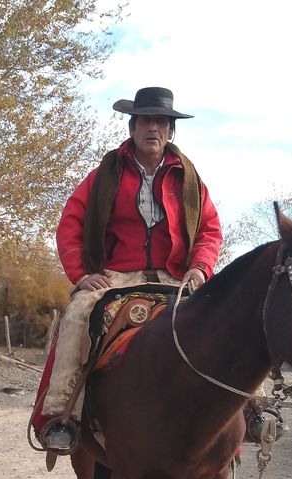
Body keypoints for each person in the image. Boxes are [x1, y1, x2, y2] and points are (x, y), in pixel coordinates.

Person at [37, 86, 223, 452]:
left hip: (177, 276)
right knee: (77, 314)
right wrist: (81, 274)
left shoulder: (189, 179)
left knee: (225, 316)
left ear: (170, 130)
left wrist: (201, 269)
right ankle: (62, 417)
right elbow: (70, 226)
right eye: (145, 120)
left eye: (161, 121)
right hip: (116, 275)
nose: (153, 128)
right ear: (132, 127)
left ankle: (250, 411)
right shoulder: (104, 175)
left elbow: (209, 230)